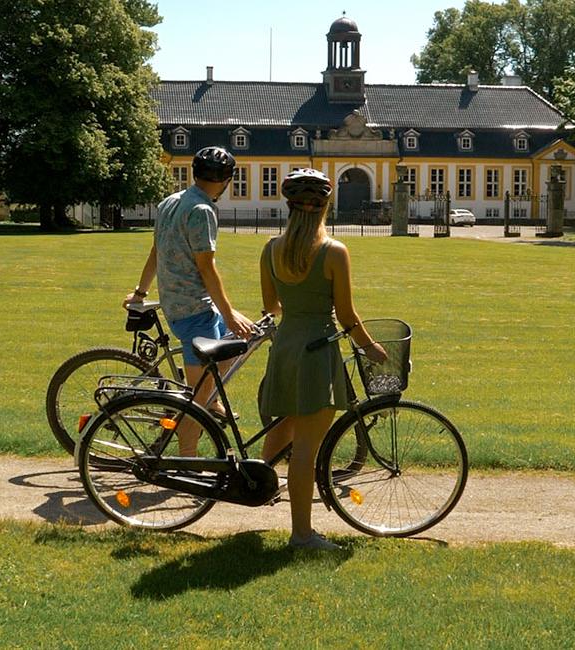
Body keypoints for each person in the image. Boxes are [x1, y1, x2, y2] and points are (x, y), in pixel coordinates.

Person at [256, 168, 387, 550]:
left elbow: (270, 306)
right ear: (324, 207)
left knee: (284, 426)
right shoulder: (333, 251)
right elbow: (346, 316)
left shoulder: (270, 249)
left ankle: (259, 487)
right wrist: (371, 348)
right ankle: (301, 535)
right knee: (307, 450)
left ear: (290, 207)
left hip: (285, 347)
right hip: (316, 348)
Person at [124, 146, 257, 455]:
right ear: (226, 180)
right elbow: (206, 267)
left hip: (184, 304)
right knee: (196, 400)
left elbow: (156, 251)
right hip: (194, 312)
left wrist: (141, 292)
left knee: (247, 336)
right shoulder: (202, 211)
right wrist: (229, 312)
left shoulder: (170, 202)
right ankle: (189, 462)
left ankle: (214, 399)